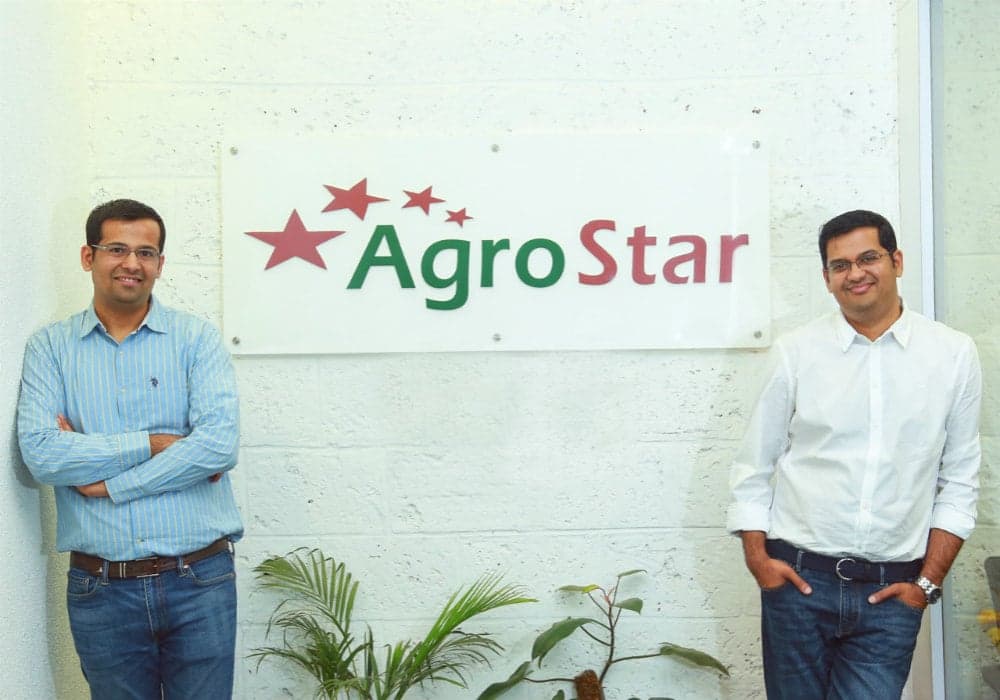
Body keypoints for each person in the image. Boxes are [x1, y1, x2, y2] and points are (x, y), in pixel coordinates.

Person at [727, 209, 981, 699]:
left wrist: (924, 586)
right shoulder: (796, 352)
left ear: (897, 261)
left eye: (869, 258)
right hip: (797, 585)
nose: (856, 273)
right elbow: (753, 466)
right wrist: (759, 559)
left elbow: (961, 480)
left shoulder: (952, 355)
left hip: (891, 595)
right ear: (826, 278)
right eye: (840, 265)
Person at [17, 199, 243, 699]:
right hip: (101, 589)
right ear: (87, 256)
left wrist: (108, 485)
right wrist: (156, 443)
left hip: (200, 580)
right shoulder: (50, 349)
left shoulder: (196, 341)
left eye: (146, 252)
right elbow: (42, 455)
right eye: (116, 248)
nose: (132, 263)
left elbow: (217, 446)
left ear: (161, 264)